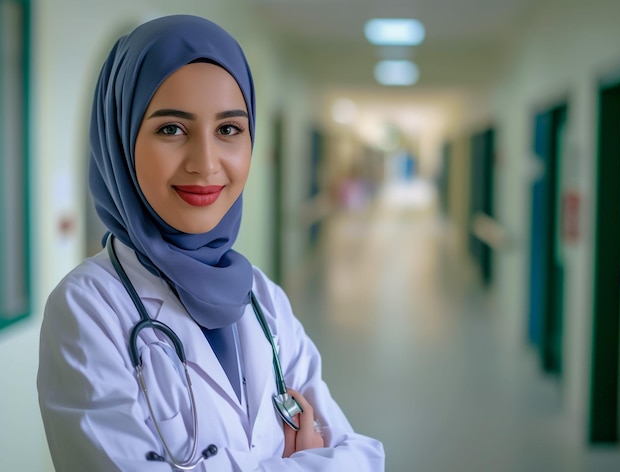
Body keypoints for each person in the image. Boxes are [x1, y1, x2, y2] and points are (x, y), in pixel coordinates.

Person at [37, 14, 384, 472]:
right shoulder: (88, 308)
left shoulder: (264, 299)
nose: (205, 163)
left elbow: (361, 456)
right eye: (171, 129)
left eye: (228, 129)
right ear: (120, 140)